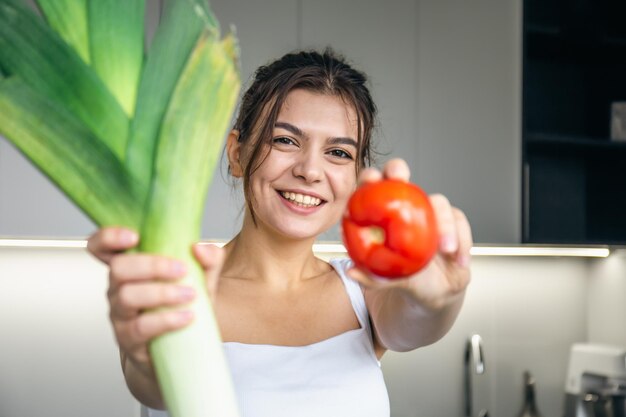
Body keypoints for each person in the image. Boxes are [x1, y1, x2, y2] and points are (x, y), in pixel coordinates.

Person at [87, 48, 472, 417]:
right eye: (285, 140)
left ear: (357, 176)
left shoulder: (364, 287)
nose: (310, 170)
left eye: (338, 153)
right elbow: (150, 382)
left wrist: (440, 297)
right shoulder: (180, 284)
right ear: (237, 153)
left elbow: (415, 324)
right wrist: (142, 354)